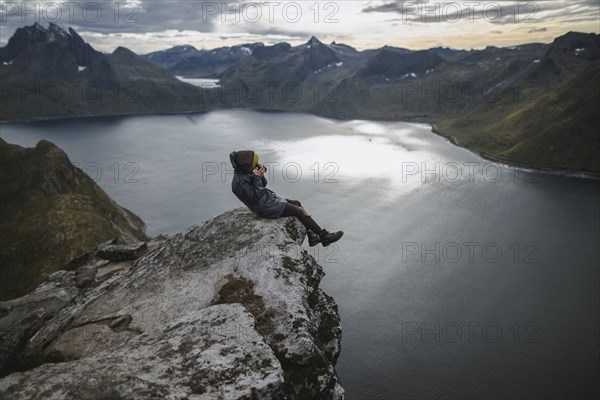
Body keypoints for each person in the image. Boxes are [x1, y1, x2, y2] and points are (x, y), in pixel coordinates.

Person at [230, 150, 343, 247]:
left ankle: (312, 237)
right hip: (264, 208)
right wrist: (257, 178)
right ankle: (324, 236)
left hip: (268, 201)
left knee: (297, 203)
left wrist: (260, 175)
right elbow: (256, 198)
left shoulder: (245, 173)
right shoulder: (239, 183)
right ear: (247, 165)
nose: (255, 165)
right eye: (253, 164)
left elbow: (262, 185)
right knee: (298, 211)